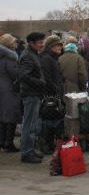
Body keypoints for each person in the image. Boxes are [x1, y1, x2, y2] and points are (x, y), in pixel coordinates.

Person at [18, 32, 47, 163]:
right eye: (40, 42)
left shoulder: (33, 54)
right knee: (29, 124)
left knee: (33, 124)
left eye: (42, 42)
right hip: (30, 93)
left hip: (34, 93)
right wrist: (40, 83)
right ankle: (27, 152)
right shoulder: (28, 56)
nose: (42, 44)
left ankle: (30, 149)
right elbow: (23, 76)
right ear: (31, 43)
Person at [40, 35, 65, 153]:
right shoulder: (46, 59)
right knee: (49, 120)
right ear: (51, 47)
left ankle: (50, 144)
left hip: (55, 93)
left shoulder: (53, 58)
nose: (60, 47)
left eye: (60, 45)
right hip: (49, 95)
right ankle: (46, 144)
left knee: (55, 119)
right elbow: (47, 77)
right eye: (57, 45)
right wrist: (55, 89)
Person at [0, 34, 21, 153]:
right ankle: (9, 143)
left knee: (2, 118)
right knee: (11, 118)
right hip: (9, 90)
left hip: (1, 90)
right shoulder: (10, 58)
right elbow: (15, 74)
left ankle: (2, 141)